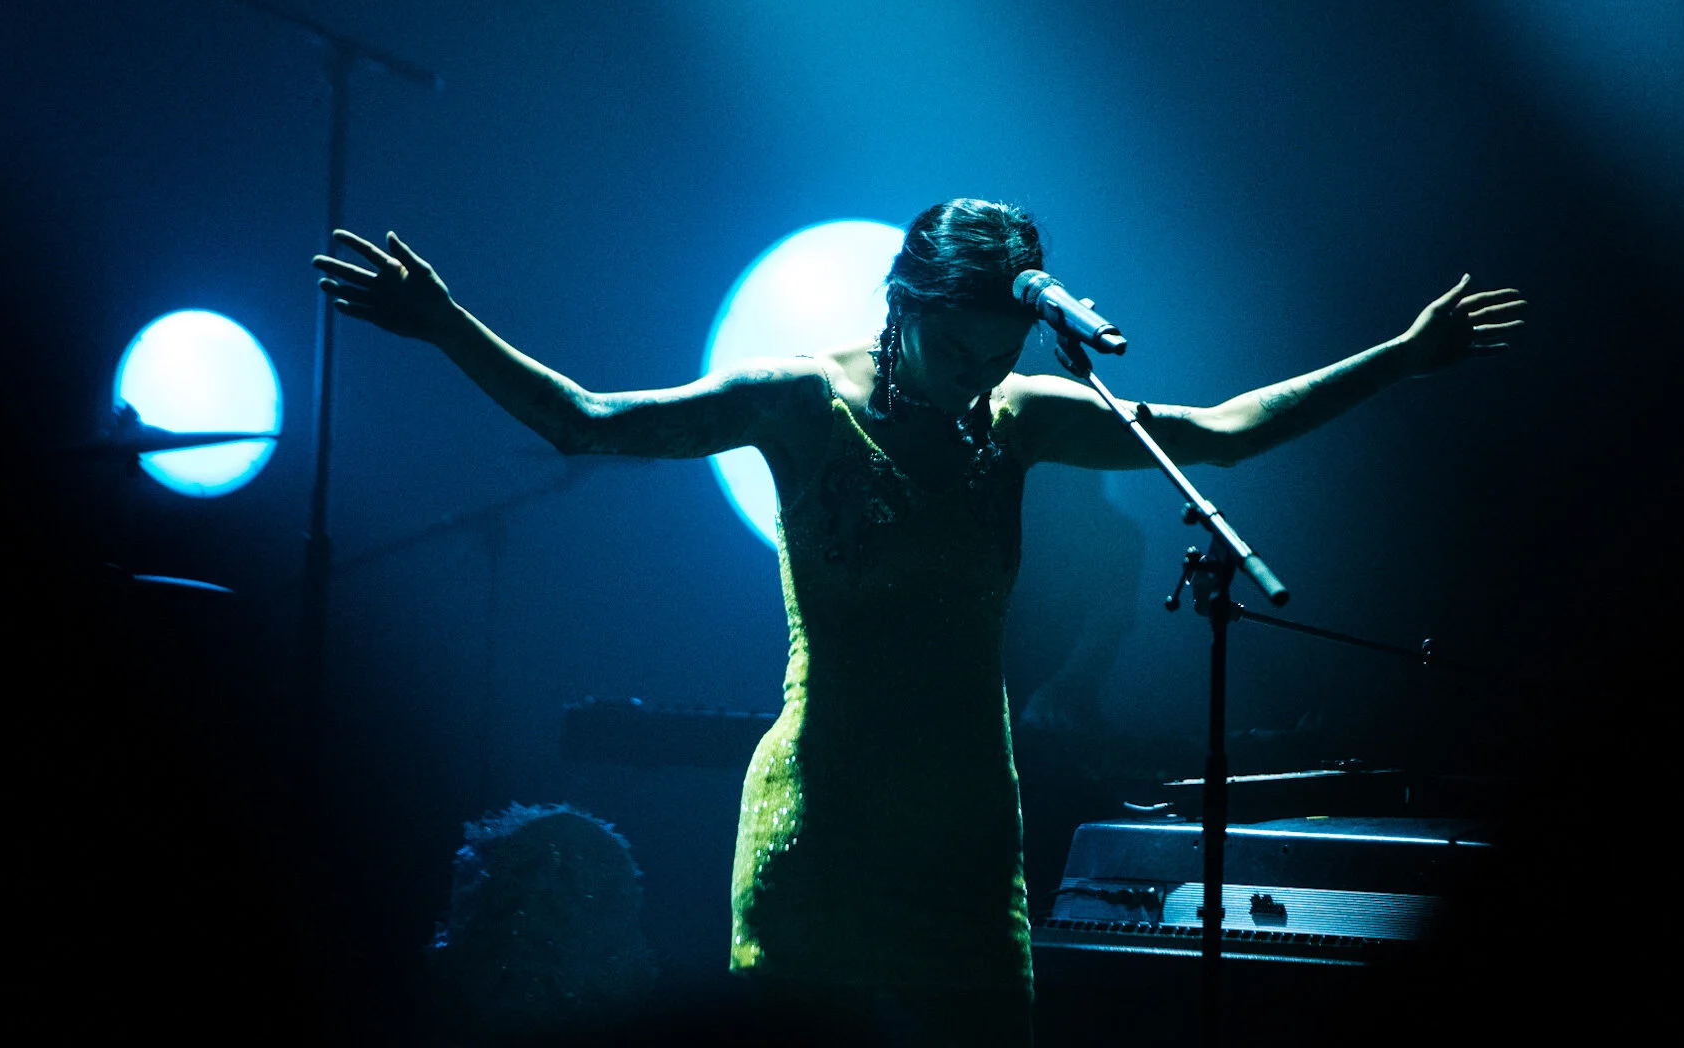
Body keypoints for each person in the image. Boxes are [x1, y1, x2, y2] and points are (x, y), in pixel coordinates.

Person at [313, 199, 1525, 1046]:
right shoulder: (796, 402)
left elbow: (1218, 432)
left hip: (964, 837)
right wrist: (444, 324)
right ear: (903, 303)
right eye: (952, 347)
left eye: (994, 354)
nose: (970, 375)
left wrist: (1399, 357)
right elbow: (585, 419)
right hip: (820, 827)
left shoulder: (1020, 417)